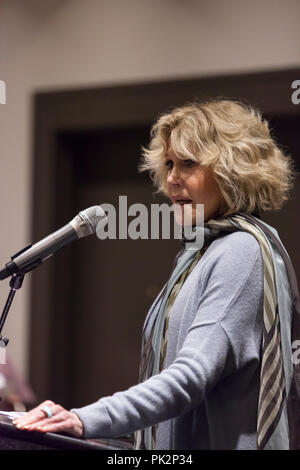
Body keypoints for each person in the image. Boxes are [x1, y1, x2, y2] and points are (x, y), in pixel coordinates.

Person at [13, 99, 299, 450]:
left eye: (189, 164)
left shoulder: (242, 252)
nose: (173, 179)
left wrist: (84, 419)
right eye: (169, 164)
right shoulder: (200, 254)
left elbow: (190, 378)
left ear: (232, 171)